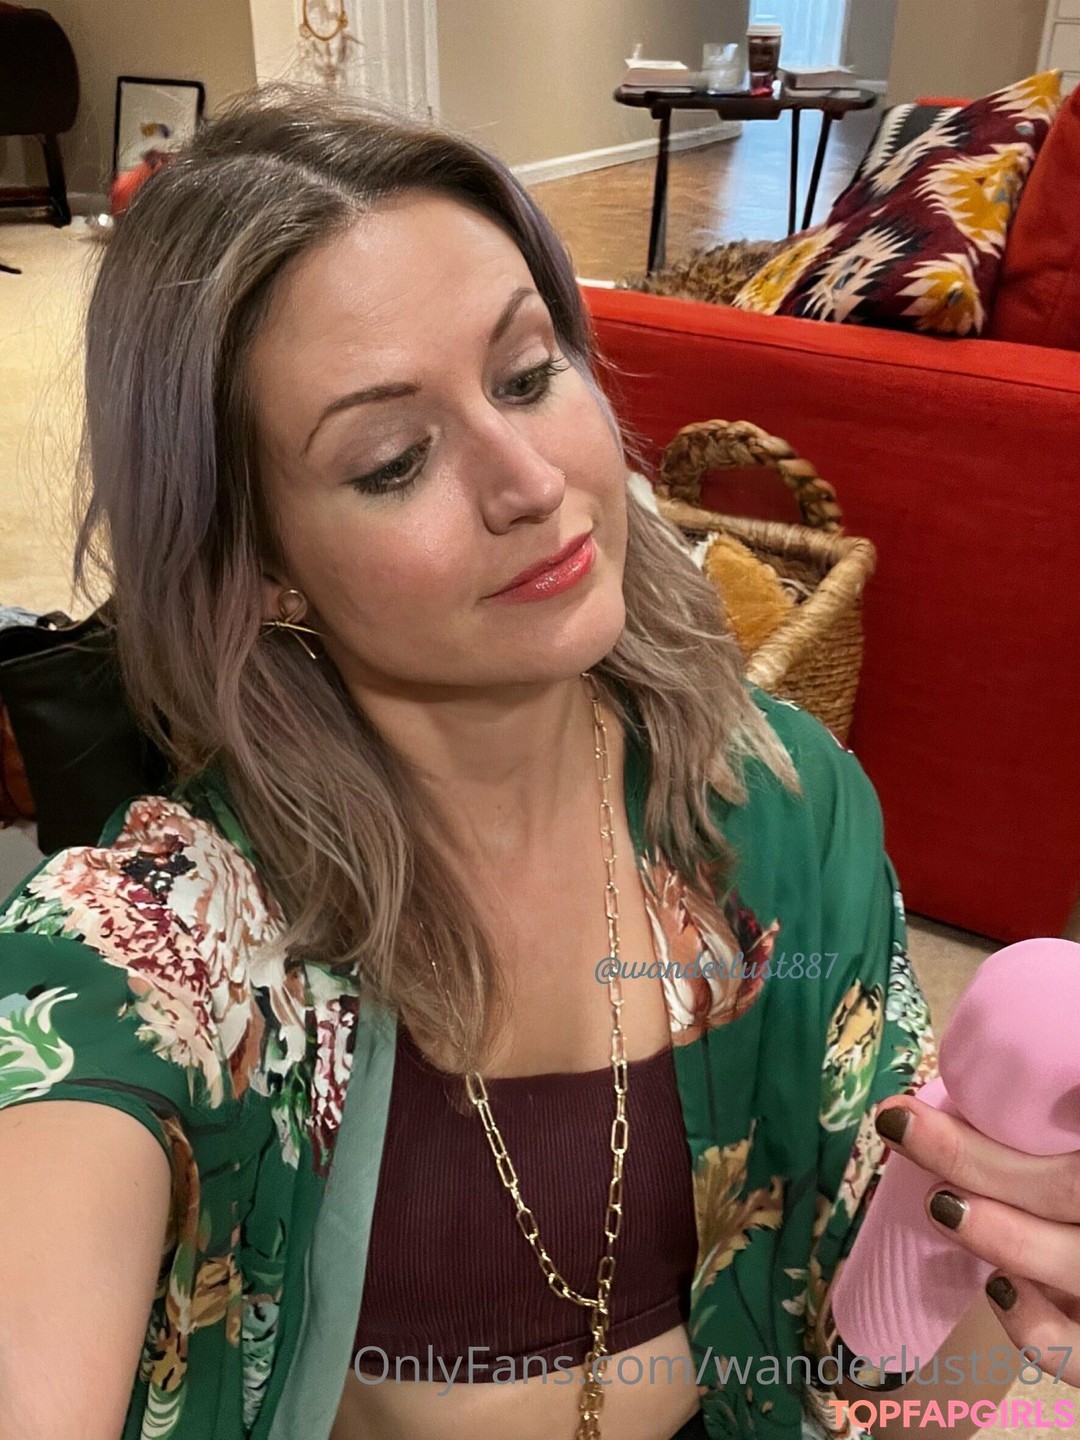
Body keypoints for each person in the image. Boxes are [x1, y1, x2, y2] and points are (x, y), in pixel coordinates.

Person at [0, 81, 1075, 1440]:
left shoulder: (782, 806)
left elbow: (890, 1379)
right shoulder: (180, 933)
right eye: (394, 459)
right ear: (259, 563)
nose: (531, 481)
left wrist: (1001, 1253)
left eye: (526, 375)